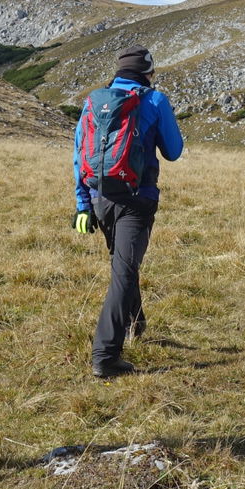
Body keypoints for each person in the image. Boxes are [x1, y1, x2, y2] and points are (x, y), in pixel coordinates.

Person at [72, 45, 183, 379]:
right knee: (123, 272)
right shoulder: (154, 100)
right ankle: (105, 356)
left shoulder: (94, 100)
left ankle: (137, 324)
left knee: (123, 263)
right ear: (147, 71)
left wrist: (82, 204)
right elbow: (174, 151)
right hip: (138, 199)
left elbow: (79, 153)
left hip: (99, 198)